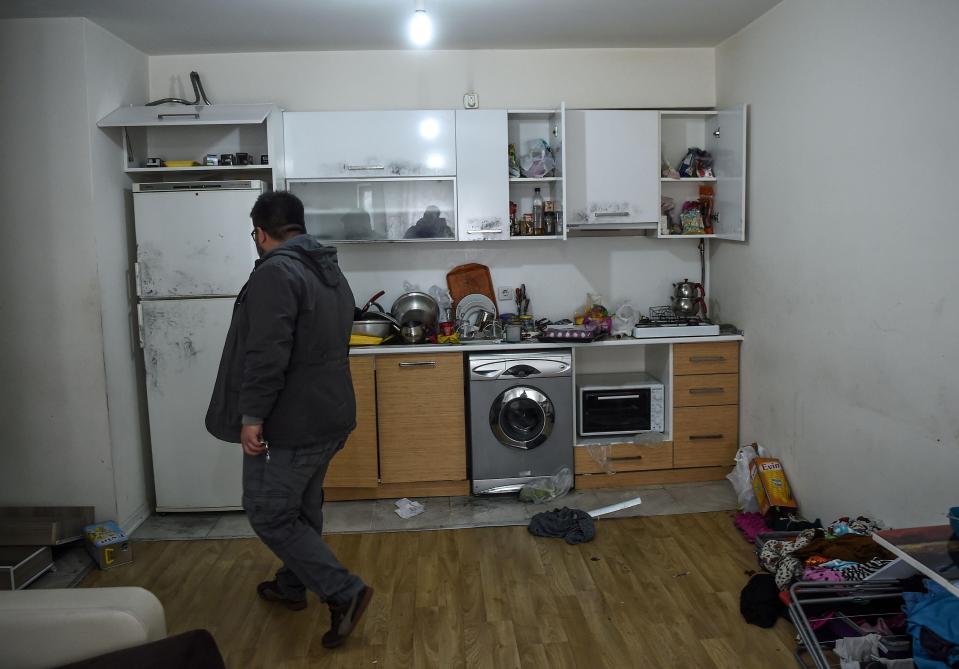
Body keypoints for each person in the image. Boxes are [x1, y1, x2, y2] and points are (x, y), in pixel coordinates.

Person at [205, 191, 373, 649]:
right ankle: (292, 584)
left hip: (291, 422)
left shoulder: (276, 274)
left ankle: (344, 591)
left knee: (268, 511)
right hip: (329, 414)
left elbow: (266, 356)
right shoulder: (329, 270)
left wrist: (252, 416)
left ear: (260, 233)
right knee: (302, 507)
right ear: (298, 227)